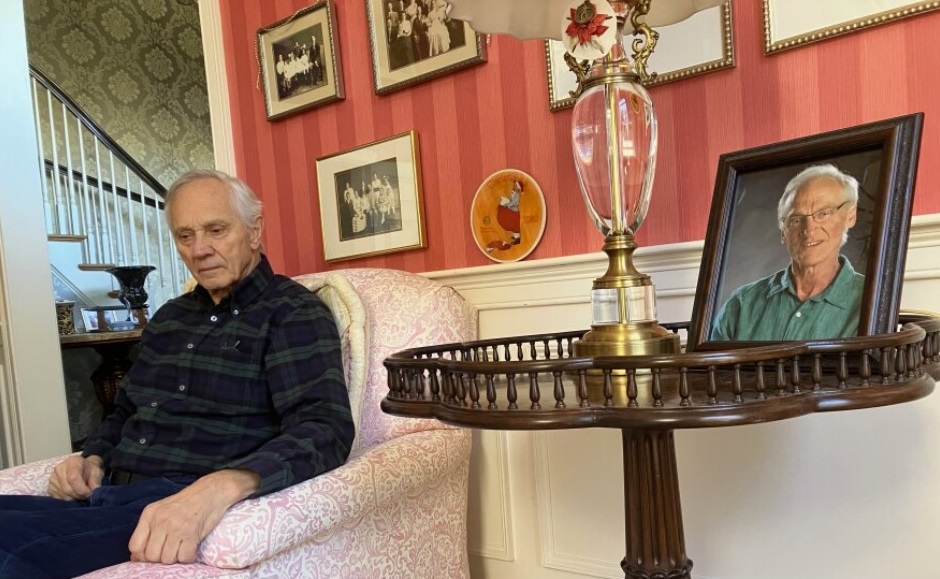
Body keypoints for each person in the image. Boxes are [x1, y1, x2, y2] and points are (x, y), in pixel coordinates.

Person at [0, 169, 355, 578]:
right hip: (107, 495)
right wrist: (92, 457)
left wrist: (223, 485)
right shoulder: (170, 317)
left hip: (172, 498)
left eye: (216, 230)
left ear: (254, 230)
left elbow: (323, 427)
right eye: (185, 236)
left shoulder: (292, 313)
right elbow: (123, 411)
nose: (200, 249)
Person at [710, 164, 865, 341]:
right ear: (783, 232)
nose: (809, 229)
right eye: (796, 219)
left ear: (850, 216)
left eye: (823, 213)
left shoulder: (870, 302)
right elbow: (711, 367)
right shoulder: (741, 304)